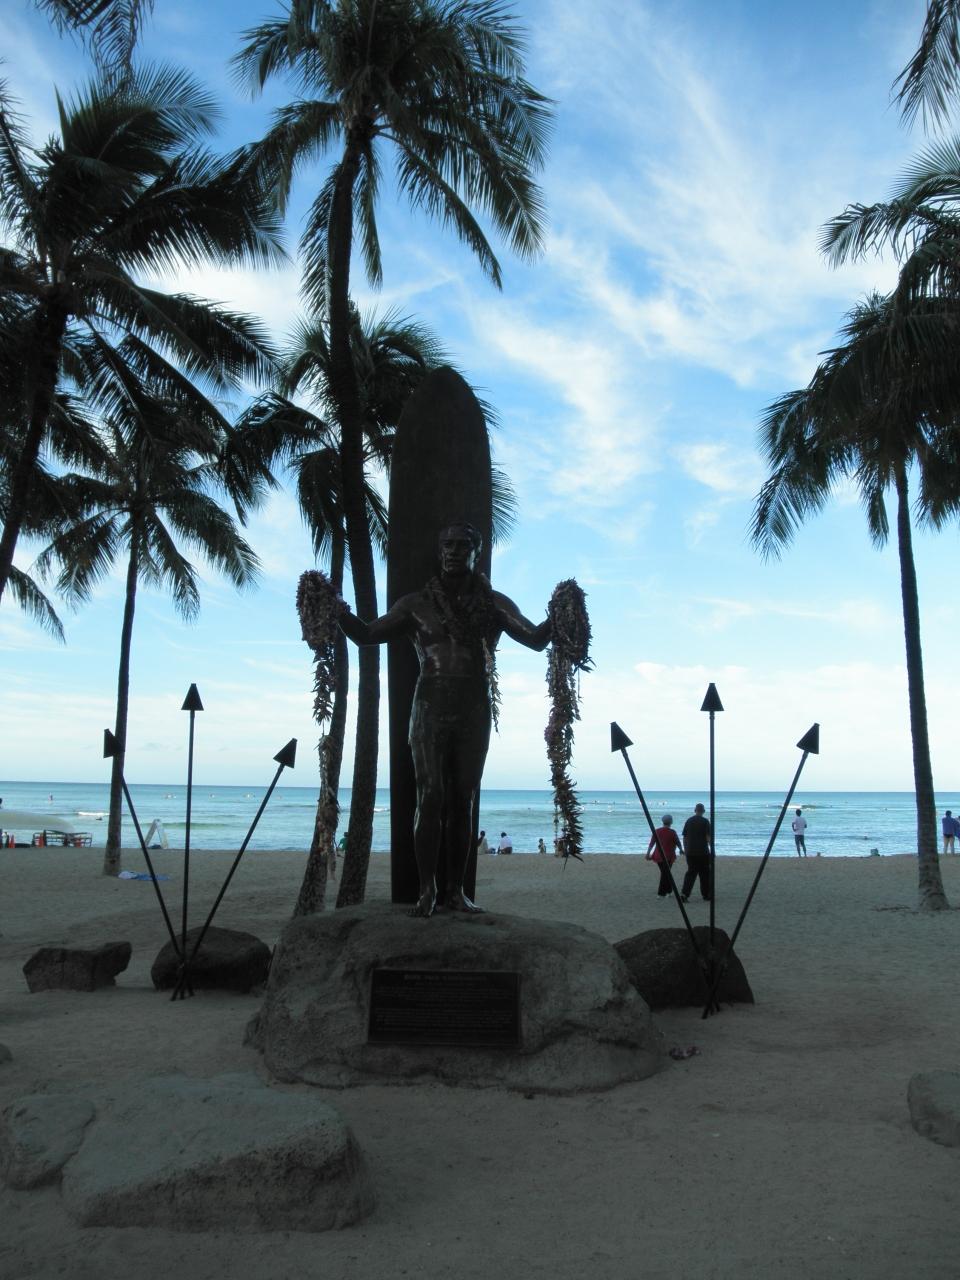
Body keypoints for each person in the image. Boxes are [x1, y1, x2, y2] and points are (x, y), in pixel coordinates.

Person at [340, 522, 549, 916]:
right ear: (439, 552)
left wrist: (563, 608)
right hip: (430, 705)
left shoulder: (494, 604)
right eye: (447, 545)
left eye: (462, 545)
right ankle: (426, 890)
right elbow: (367, 634)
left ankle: (455, 891)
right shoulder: (415, 605)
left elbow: (536, 639)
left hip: (474, 705)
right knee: (431, 795)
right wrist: (337, 611)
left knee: (463, 799)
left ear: (476, 553)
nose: (453, 551)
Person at [681, 803, 712, 901]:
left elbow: (684, 837)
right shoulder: (705, 821)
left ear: (695, 810)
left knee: (691, 873)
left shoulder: (689, 821)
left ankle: (684, 894)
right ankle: (706, 894)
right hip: (703, 851)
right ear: (703, 811)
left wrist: (685, 849)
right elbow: (708, 837)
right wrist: (712, 849)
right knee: (705, 874)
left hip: (690, 852)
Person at [645, 814, 681, 897]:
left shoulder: (657, 831)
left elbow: (651, 843)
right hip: (669, 856)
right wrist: (681, 849)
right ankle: (661, 893)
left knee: (665, 873)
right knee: (666, 873)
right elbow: (678, 842)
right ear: (671, 822)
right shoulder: (672, 832)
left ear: (663, 821)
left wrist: (648, 853)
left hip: (658, 855)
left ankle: (669, 890)